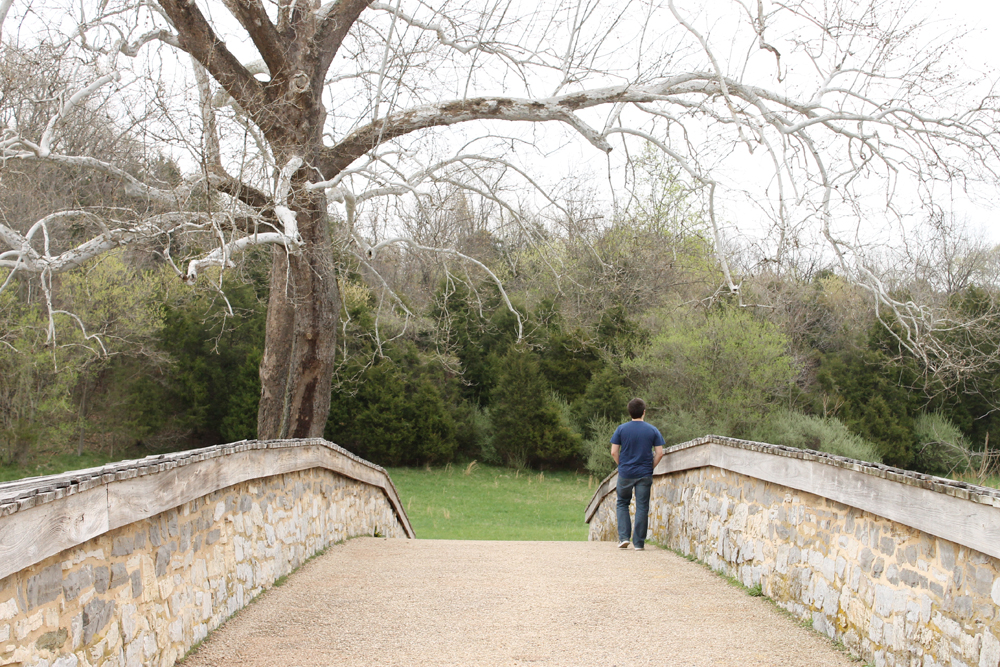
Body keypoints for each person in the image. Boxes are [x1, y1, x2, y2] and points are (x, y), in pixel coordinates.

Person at [610, 398, 665, 551]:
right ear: (644, 412)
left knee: (622, 503)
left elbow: (614, 451)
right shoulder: (652, 430)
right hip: (644, 473)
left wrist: (622, 465)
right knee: (642, 506)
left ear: (629, 412)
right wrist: (650, 467)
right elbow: (659, 453)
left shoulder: (621, 429)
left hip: (626, 473)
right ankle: (639, 543)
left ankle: (624, 538)